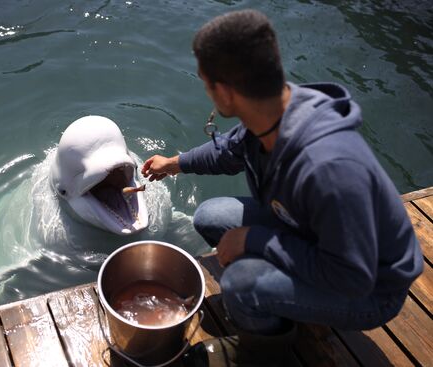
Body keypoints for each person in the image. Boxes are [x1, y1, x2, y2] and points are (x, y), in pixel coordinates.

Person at [141, 9, 423, 366]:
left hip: (370, 289)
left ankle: (261, 354)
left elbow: (351, 276)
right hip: (312, 237)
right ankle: (284, 307)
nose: (205, 90)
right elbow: (227, 150)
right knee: (212, 216)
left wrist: (253, 241)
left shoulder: (331, 171)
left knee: (242, 284)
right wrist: (174, 164)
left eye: (205, 82)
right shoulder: (272, 108)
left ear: (226, 93)